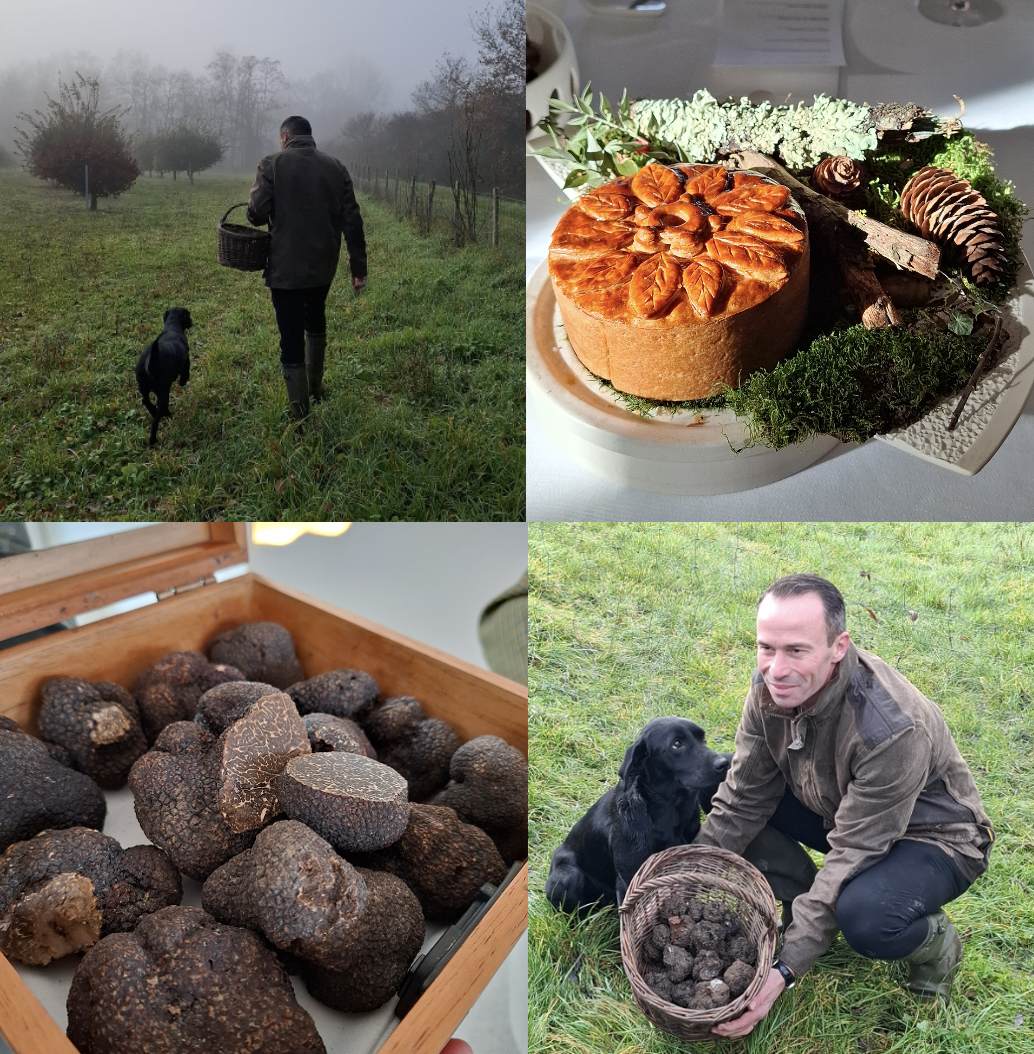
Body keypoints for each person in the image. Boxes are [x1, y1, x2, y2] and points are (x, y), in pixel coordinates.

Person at [693, 573, 994, 1038]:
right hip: (842, 807)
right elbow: (742, 797)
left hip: (934, 837)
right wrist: (688, 878)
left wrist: (784, 969)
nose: (776, 669)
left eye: (796, 650)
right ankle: (801, 896)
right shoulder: (770, 688)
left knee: (865, 917)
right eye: (766, 647)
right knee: (714, 781)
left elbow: (854, 850)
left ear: (838, 647)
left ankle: (936, 943)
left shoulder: (891, 729)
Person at [247, 115, 367, 421]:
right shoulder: (337, 167)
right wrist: (358, 267)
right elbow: (352, 219)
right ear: (309, 136)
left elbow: (257, 213)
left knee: (290, 334)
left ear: (285, 136)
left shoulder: (271, 164)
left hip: (285, 268)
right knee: (315, 317)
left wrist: (257, 211)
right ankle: (315, 389)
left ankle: (300, 412)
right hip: (323, 266)